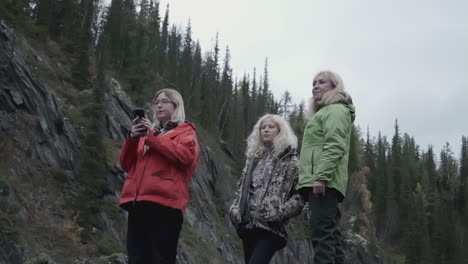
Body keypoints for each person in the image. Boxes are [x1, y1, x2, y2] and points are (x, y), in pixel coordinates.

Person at [119, 88, 200, 264]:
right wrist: (133, 137)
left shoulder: (186, 132)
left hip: (165, 206)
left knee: (160, 258)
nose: (159, 106)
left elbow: (186, 157)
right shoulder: (148, 134)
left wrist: (153, 136)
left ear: (176, 105)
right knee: (136, 258)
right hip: (138, 203)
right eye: (156, 102)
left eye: (164, 101)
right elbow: (126, 164)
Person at [297, 71, 356, 264]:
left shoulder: (336, 110)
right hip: (323, 181)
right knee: (330, 236)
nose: (315, 86)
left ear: (335, 86)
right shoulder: (325, 112)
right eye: (313, 83)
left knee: (322, 235)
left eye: (322, 82)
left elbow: (335, 145)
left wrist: (321, 177)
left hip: (325, 181)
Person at [229, 114, 304, 264]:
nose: (266, 130)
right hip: (248, 224)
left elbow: (300, 196)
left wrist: (279, 212)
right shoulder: (253, 159)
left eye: (271, 127)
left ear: (280, 131)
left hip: (271, 228)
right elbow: (241, 188)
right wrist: (235, 209)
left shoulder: (292, 161)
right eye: (263, 127)